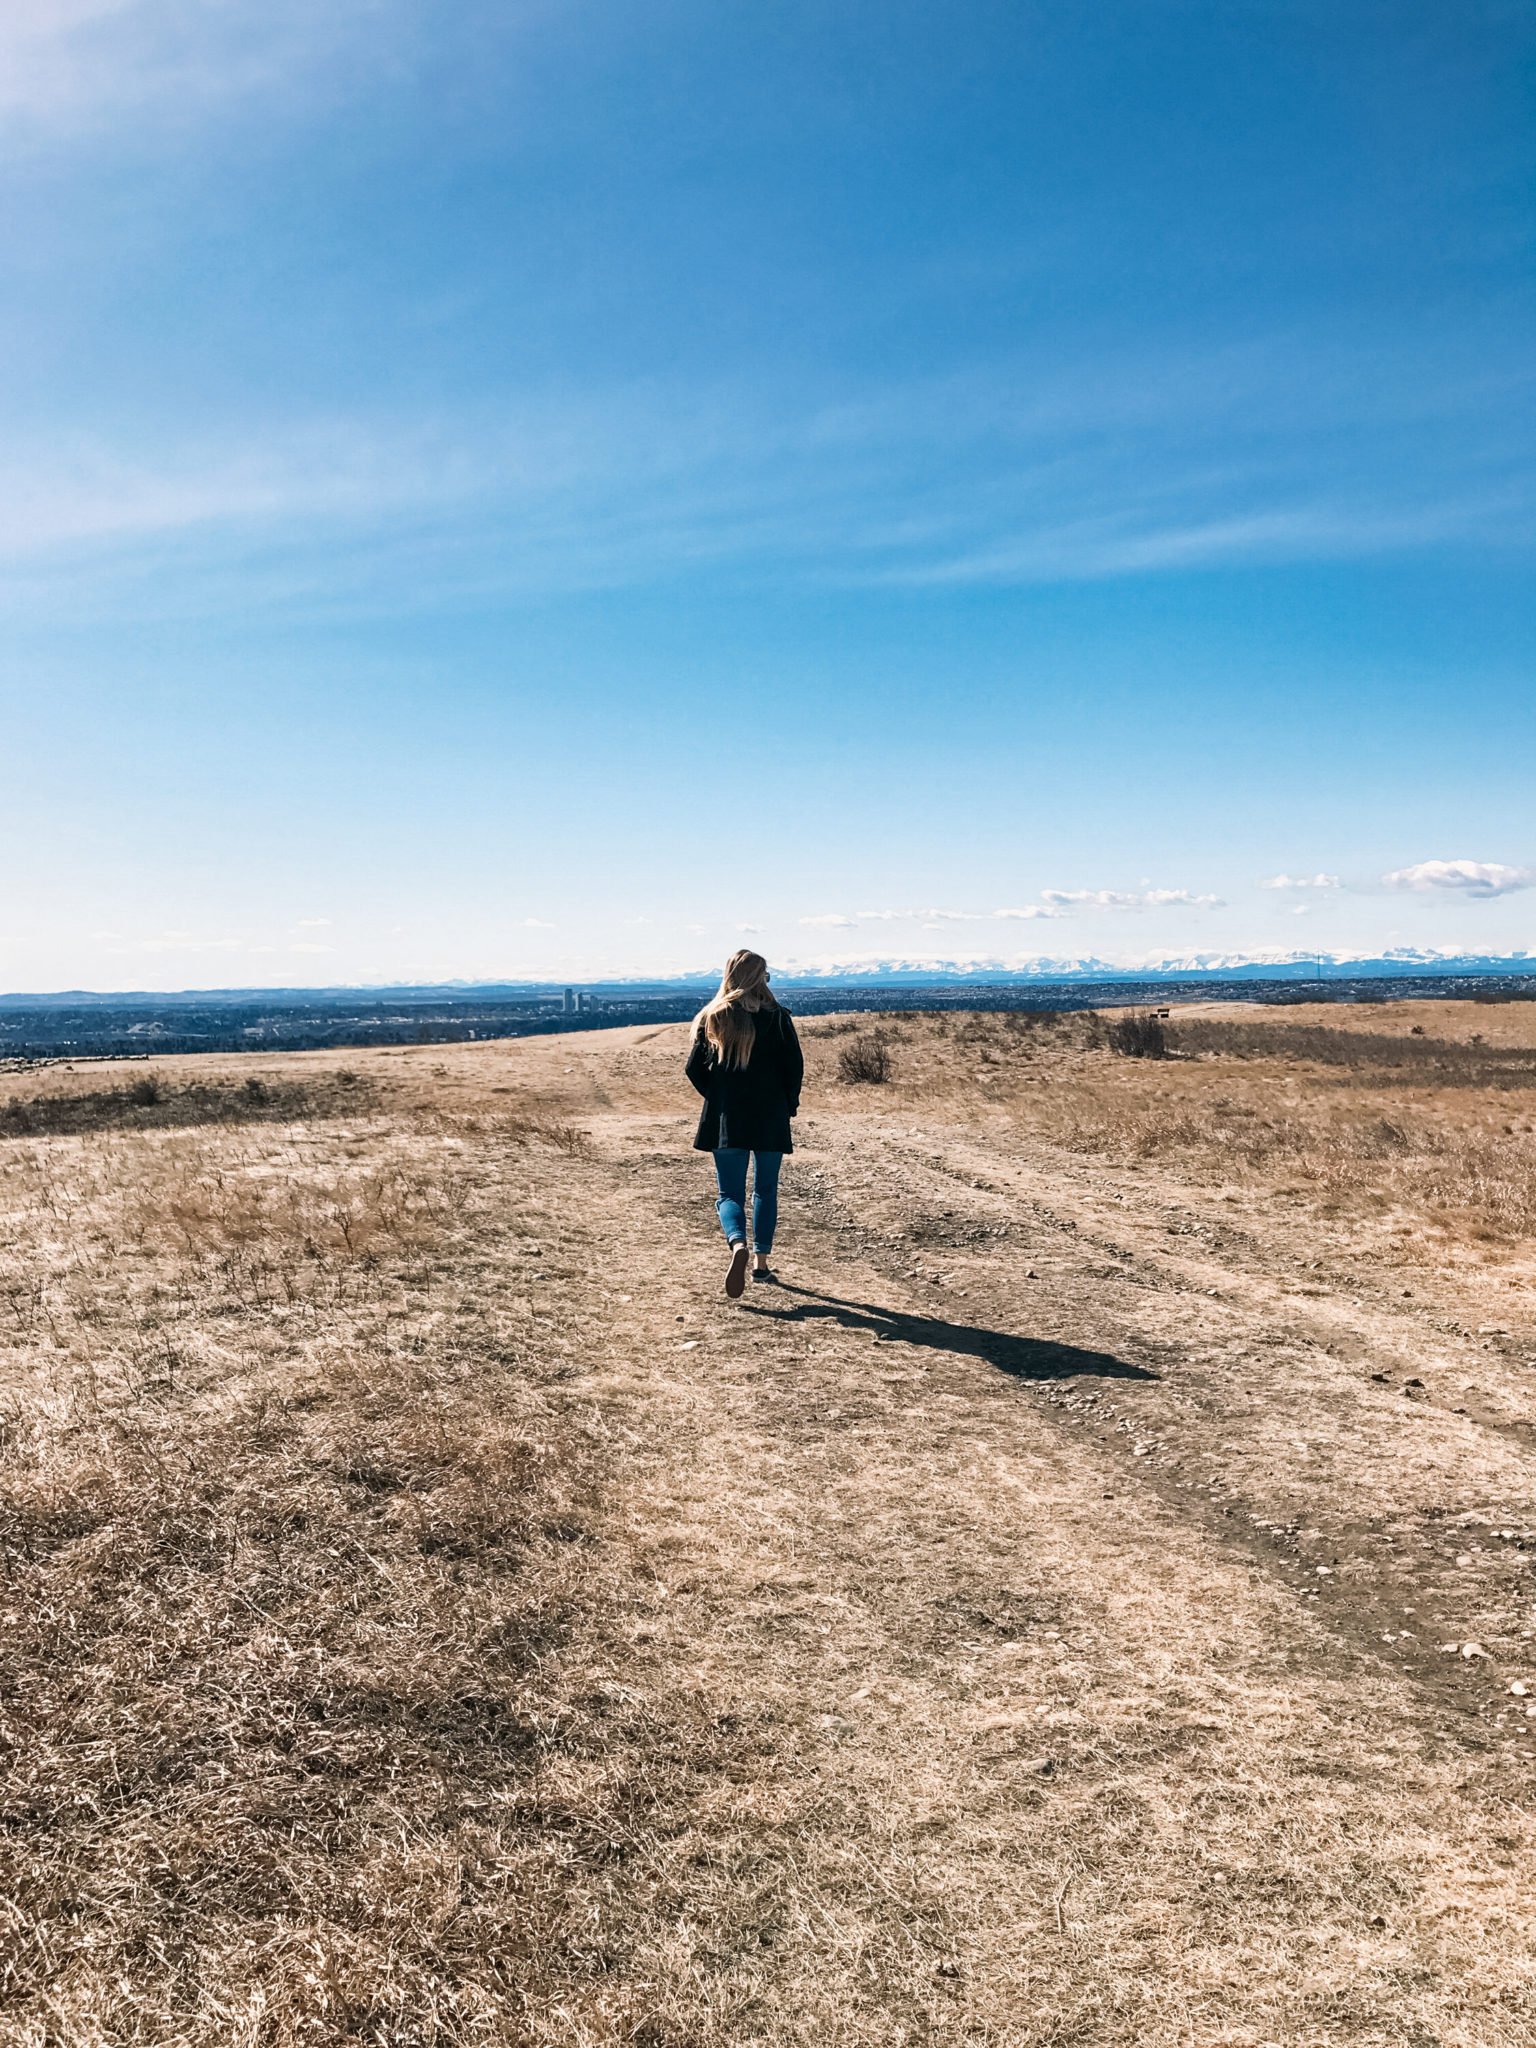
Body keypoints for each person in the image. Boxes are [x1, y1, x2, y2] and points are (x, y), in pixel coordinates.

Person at [685, 950, 804, 1298]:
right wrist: (788, 1105)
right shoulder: (779, 1018)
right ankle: (761, 1263)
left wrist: (720, 1098)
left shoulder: (715, 1017)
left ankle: (738, 1244)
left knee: (729, 1194)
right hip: (770, 1117)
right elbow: (794, 1069)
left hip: (729, 1120)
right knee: (766, 1190)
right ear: (758, 978)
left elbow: (694, 1069)